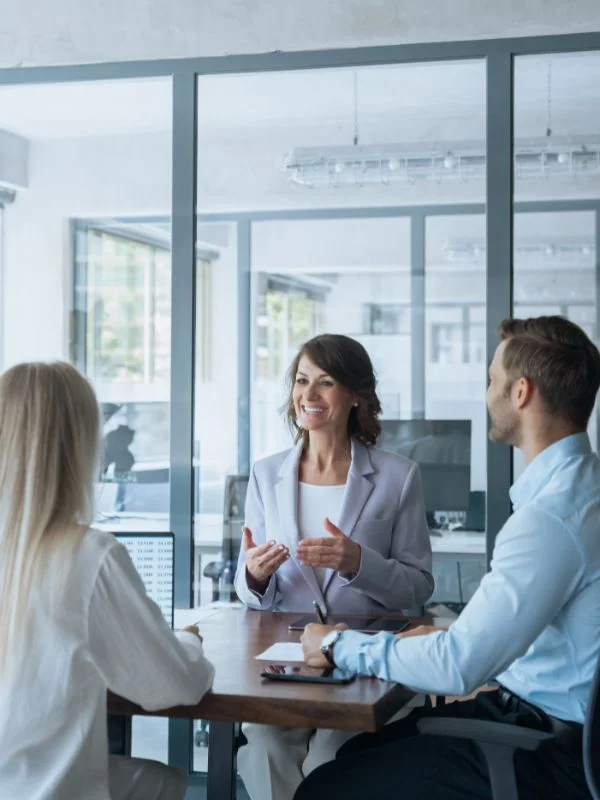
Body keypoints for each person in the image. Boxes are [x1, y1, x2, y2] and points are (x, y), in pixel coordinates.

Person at [297, 315, 600, 800]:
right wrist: (447, 634)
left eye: (492, 381)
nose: (487, 396)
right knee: (352, 756)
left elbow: (460, 666)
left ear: (521, 393)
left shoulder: (551, 518)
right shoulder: (584, 492)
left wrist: (337, 645)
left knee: (326, 787)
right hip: (553, 723)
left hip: (548, 746)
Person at [0, 362, 215, 800]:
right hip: (45, 790)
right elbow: (173, 686)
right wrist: (188, 642)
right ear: (79, 446)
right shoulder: (88, 556)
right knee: (164, 782)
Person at [234, 333, 433, 800]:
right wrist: (254, 576)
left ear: (356, 396)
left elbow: (419, 588)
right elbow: (246, 592)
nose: (308, 395)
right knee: (263, 745)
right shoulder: (266, 475)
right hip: (285, 663)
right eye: (302, 381)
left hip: (365, 662)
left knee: (330, 756)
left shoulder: (398, 477)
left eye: (325, 383)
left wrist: (359, 562)